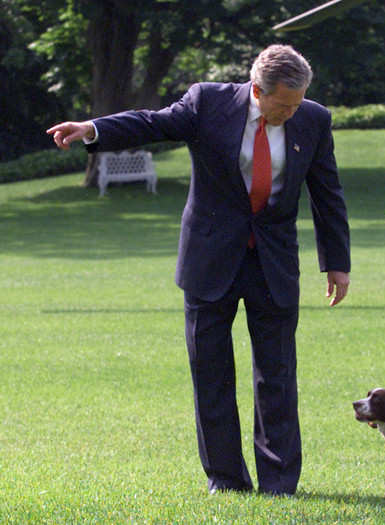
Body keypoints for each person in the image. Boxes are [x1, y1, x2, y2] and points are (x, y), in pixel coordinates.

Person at [47, 45, 351, 496]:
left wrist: (337, 264)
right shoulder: (207, 102)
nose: (292, 111)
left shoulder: (313, 118)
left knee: (278, 376)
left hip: (274, 262)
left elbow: (327, 192)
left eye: (298, 101)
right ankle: (226, 480)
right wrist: (93, 128)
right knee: (211, 374)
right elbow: (151, 122)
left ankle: (279, 482)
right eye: (283, 104)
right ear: (256, 90)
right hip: (210, 261)